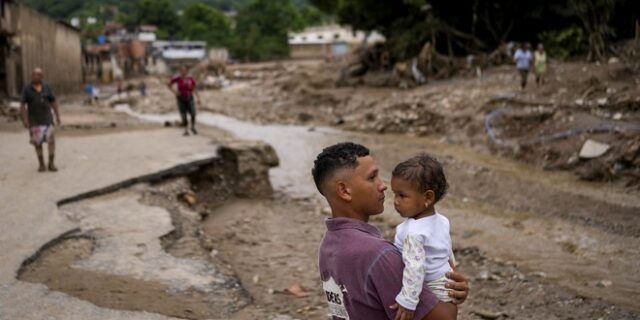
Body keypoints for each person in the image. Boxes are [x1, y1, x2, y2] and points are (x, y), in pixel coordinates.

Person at [313, 143, 469, 320]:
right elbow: (444, 318)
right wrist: (449, 297)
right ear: (344, 190)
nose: (383, 186)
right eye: (372, 178)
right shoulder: (378, 254)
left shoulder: (328, 245)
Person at [390, 154, 456, 320]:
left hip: (429, 288)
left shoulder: (413, 232)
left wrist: (408, 301)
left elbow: (415, 267)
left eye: (402, 195)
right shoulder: (442, 220)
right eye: (394, 194)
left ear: (427, 197)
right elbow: (447, 250)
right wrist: (453, 271)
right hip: (446, 285)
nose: (395, 201)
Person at [20, 68, 61, 172]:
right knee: (37, 143)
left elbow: (53, 101)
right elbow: (22, 105)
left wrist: (57, 115)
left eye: (37, 75)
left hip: (47, 119)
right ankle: (41, 164)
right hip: (34, 121)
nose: (35, 76)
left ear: (42, 77)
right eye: (33, 74)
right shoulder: (27, 89)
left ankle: (51, 163)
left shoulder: (46, 87)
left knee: (51, 141)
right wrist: (25, 119)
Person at [168, 66, 201, 136]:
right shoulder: (177, 78)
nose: (183, 72)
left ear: (187, 71)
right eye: (182, 71)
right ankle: (186, 130)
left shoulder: (190, 79)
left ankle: (192, 127)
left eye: (185, 70)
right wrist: (175, 92)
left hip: (189, 97)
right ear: (180, 71)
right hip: (181, 98)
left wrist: (198, 98)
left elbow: (194, 88)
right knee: (184, 114)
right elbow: (169, 85)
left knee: (193, 113)